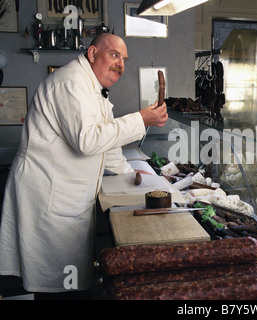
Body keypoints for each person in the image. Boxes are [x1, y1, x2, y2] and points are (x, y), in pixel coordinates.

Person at [0, 33, 168, 297]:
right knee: (56, 284)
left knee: (69, 279)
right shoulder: (71, 83)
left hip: (67, 194)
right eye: (114, 55)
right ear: (92, 54)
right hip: (48, 195)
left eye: (124, 59)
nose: (120, 65)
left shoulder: (93, 87)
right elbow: (87, 141)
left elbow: (107, 143)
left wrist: (131, 173)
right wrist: (140, 120)